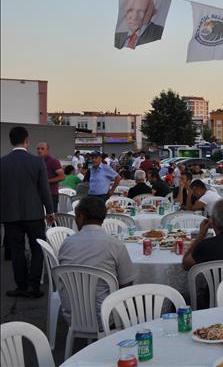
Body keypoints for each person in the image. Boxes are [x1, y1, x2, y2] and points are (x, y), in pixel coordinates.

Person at [58, 196, 136, 324]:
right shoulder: (115, 244)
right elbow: (126, 284)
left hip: (72, 314)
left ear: (82, 217)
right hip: (105, 315)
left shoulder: (66, 243)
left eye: (76, 216)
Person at [1, 126, 55, 298]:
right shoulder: (37, 161)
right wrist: (50, 211)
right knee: (37, 248)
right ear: (27, 141)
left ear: (11, 141)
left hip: (10, 215)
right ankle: (34, 286)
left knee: (16, 251)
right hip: (34, 213)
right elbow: (45, 190)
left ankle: (21, 286)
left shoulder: (2, 162)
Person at [36, 142, 65, 212]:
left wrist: (46, 181)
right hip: (38, 194)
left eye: (42, 149)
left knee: (51, 216)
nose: (39, 150)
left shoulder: (53, 161)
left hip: (51, 194)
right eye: (38, 149)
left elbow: (62, 177)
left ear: (47, 150)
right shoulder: (36, 161)